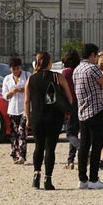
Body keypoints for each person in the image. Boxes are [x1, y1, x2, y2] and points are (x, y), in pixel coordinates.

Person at [24, 51, 71, 191]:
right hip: (54, 116)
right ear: (49, 62)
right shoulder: (58, 77)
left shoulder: (31, 79)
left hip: (37, 116)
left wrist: (27, 118)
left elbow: (27, 101)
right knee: (50, 148)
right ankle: (48, 180)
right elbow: (69, 97)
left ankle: (36, 176)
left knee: (38, 147)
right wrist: (67, 111)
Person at [73, 43, 103, 190]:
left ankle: (82, 179)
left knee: (84, 146)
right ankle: (94, 178)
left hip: (83, 112)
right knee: (97, 145)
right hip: (96, 110)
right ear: (92, 55)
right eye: (96, 55)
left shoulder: (77, 70)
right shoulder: (93, 69)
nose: (97, 58)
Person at [2, 57, 31, 165]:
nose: (16, 71)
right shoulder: (7, 79)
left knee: (22, 131)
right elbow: (5, 96)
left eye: (18, 68)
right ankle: (15, 154)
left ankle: (22, 155)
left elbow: (32, 89)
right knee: (14, 134)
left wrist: (23, 90)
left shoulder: (27, 75)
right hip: (13, 109)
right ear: (10, 69)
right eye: (14, 69)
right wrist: (12, 92)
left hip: (24, 108)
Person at [61, 50, 80, 170]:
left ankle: (82, 148)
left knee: (69, 134)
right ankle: (70, 160)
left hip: (69, 103)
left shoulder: (66, 72)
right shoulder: (78, 70)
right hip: (80, 102)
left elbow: (62, 89)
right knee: (74, 132)